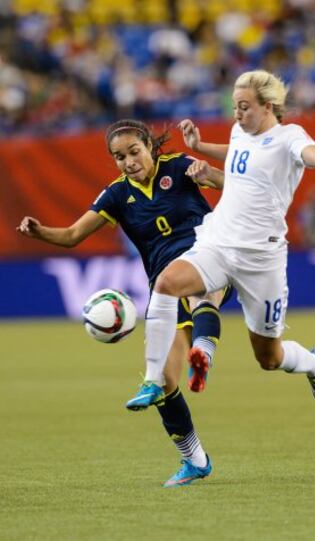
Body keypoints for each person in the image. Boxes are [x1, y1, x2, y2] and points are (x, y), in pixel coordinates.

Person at [17, 118, 229, 487]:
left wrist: (209, 173)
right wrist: (39, 231)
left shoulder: (179, 167)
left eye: (134, 152)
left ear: (149, 146)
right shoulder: (116, 195)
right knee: (164, 379)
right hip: (164, 288)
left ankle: (204, 353)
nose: (129, 161)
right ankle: (195, 459)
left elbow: (238, 187)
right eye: (119, 157)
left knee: (200, 293)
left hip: (208, 257)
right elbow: (70, 236)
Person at [126, 70, 315, 416]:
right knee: (167, 284)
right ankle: (154, 380)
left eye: (244, 107)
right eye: (234, 107)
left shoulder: (290, 137)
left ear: (268, 106)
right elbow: (238, 152)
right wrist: (199, 147)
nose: (237, 114)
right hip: (219, 241)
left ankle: (314, 363)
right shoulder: (240, 132)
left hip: (261, 257)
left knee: (268, 358)